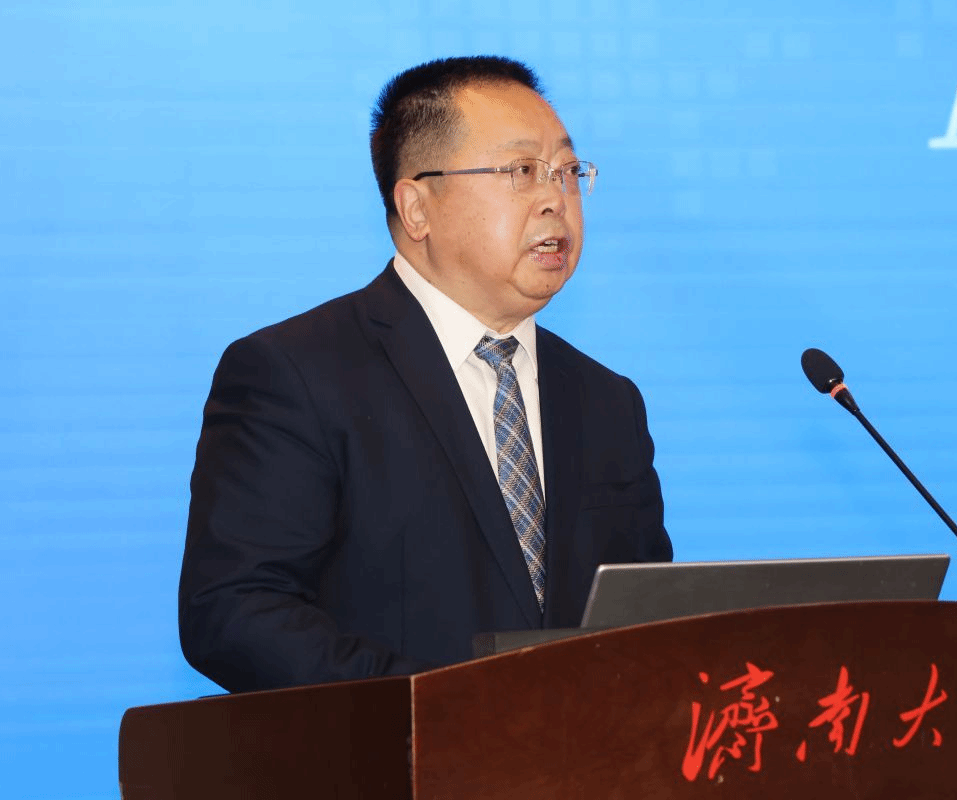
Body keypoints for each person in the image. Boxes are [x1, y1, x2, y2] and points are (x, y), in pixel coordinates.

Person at [178, 56, 673, 693]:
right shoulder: (295, 373)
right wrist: (443, 704)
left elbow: (646, 620)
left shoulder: (607, 400)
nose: (556, 199)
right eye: (522, 171)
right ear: (417, 209)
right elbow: (236, 612)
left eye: (568, 172)